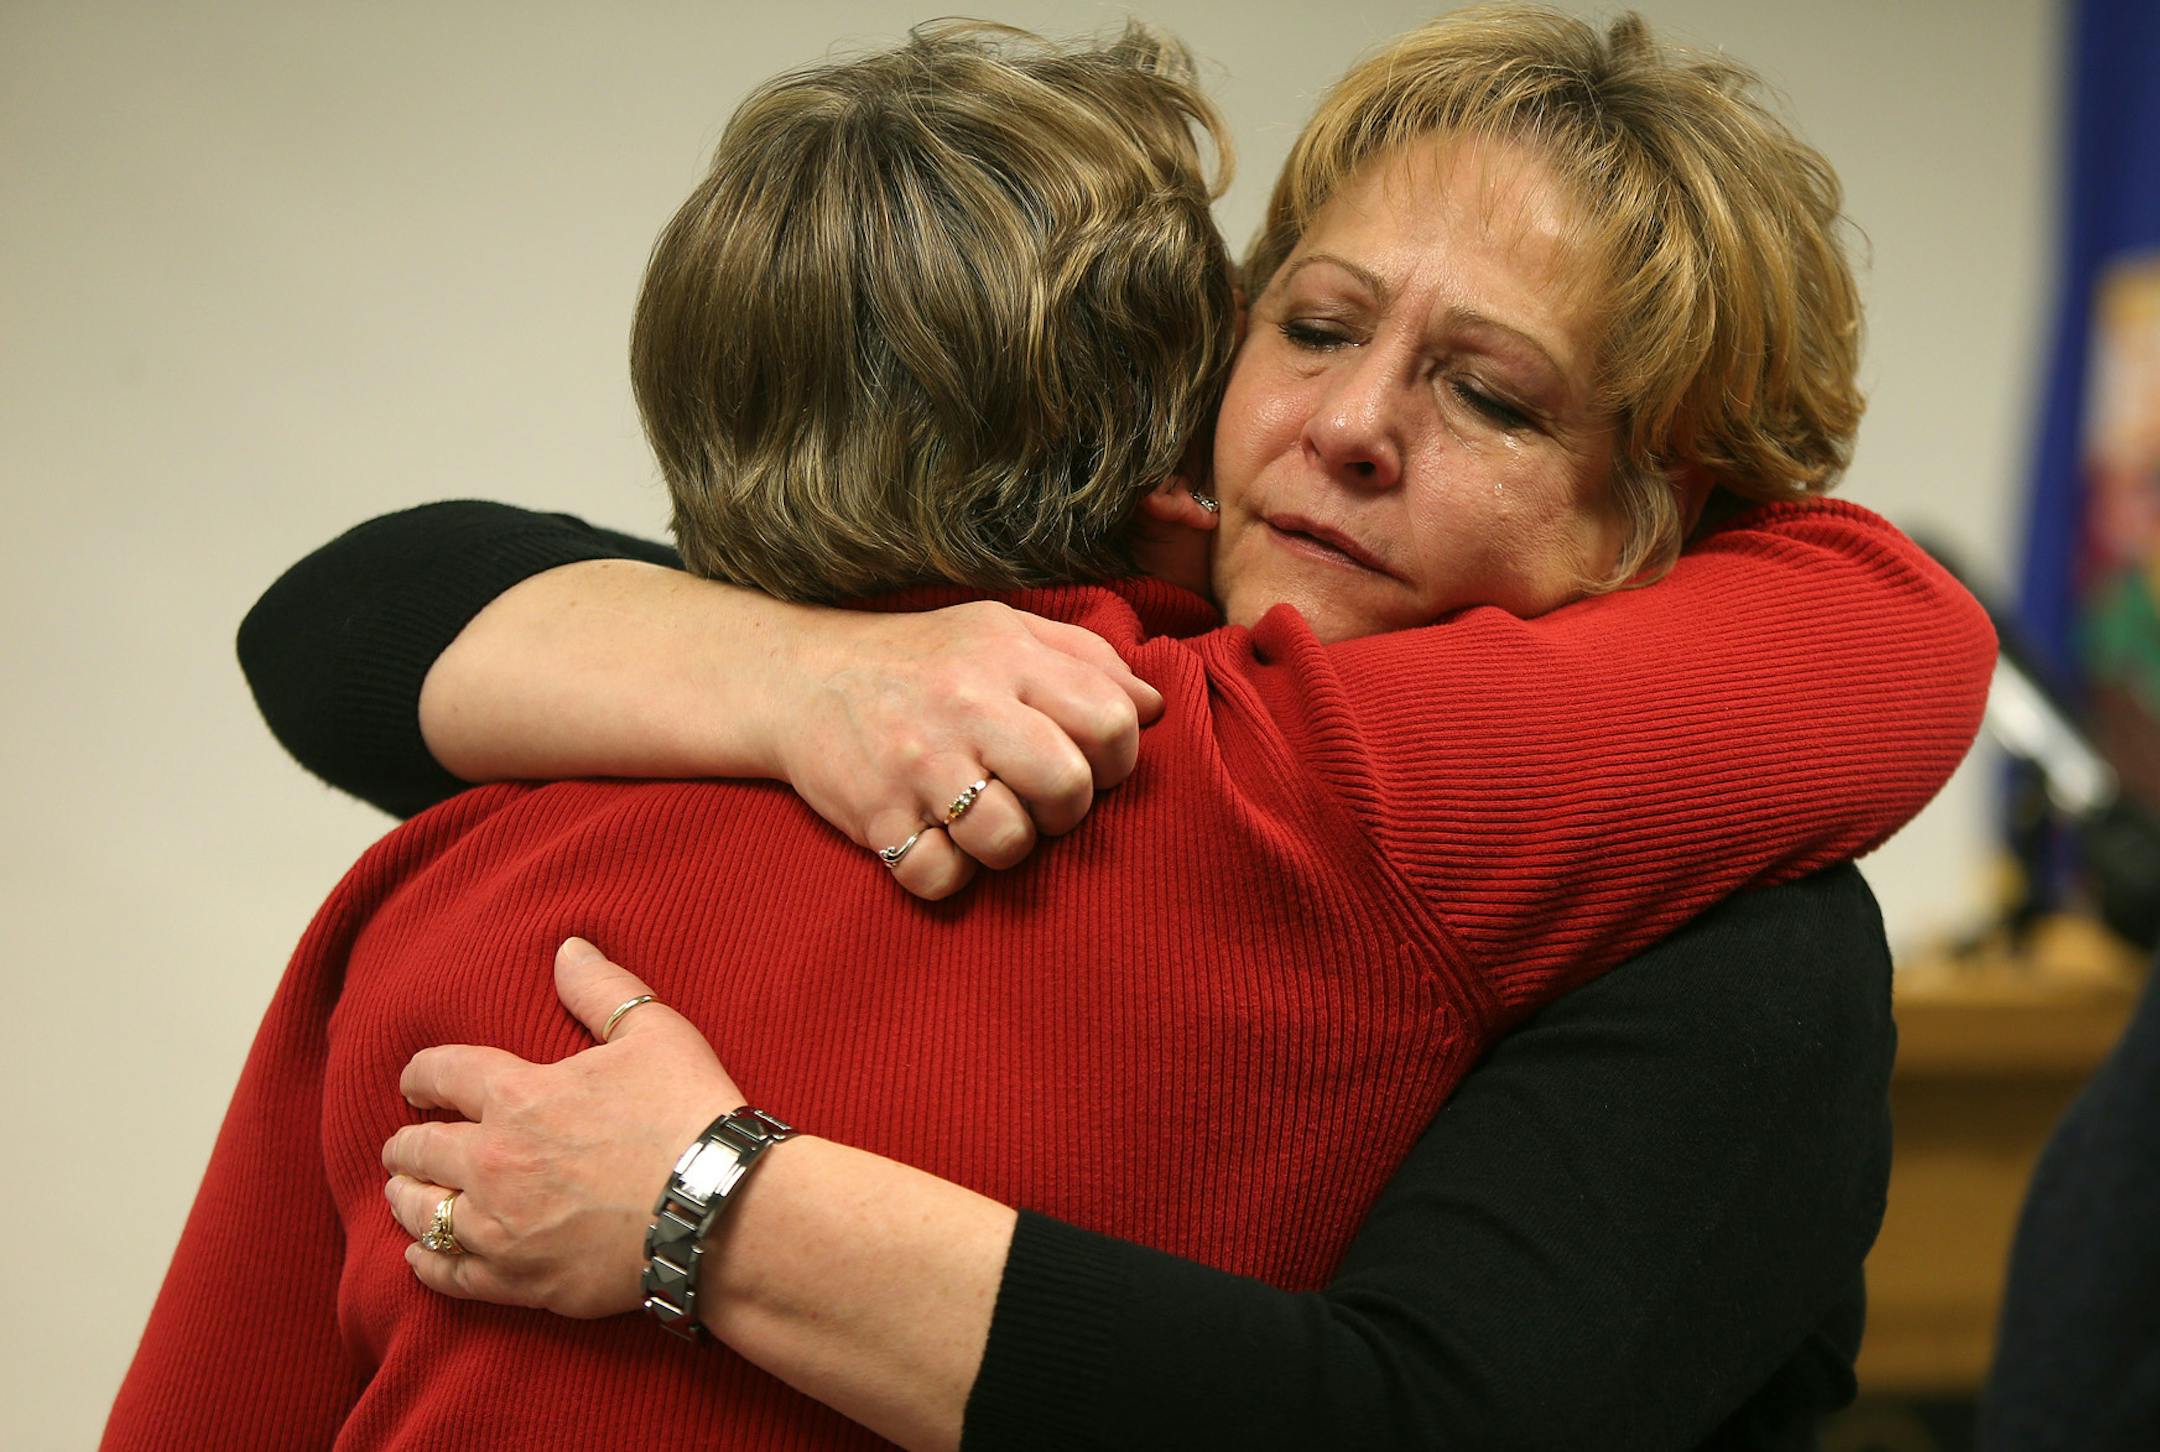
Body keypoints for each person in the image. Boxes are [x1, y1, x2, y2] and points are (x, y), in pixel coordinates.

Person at [112, 10, 1992, 1452]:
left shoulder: (1681, 918)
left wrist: (713, 1204)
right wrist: (804, 680)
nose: (1352, 424)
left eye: (1491, 396)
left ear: (1676, 515)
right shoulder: (918, 704)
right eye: (1318, 326)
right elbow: (359, 615)